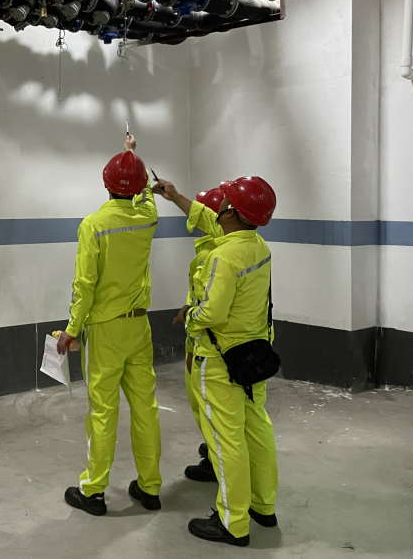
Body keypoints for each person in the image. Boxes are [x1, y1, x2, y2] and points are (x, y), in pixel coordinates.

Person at [158, 176, 278, 547]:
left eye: (223, 203)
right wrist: (175, 196)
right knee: (256, 430)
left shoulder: (222, 257)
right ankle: (263, 506)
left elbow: (212, 312)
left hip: (219, 359)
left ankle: (232, 522)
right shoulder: (256, 244)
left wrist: (188, 316)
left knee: (226, 442)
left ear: (232, 213)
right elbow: (208, 219)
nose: (218, 206)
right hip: (252, 355)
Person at [56, 134, 163, 517]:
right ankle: (150, 487)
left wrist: (72, 329)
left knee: (103, 411)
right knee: (145, 407)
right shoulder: (148, 217)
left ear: (105, 183)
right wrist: (132, 154)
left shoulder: (94, 225)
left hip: (104, 330)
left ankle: (93, 491)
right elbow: (146, 194)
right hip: (140, 328)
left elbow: (84, 285)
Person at [153, 182, 225, 483]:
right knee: (207, 409)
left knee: (212, 411)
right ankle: (213, 455)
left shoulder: (220, 249)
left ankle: (220, 466)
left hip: (211, 344)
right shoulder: (220, 242)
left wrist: (191, 323)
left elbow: (211, 308)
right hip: (207, 342)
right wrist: (174, 196)